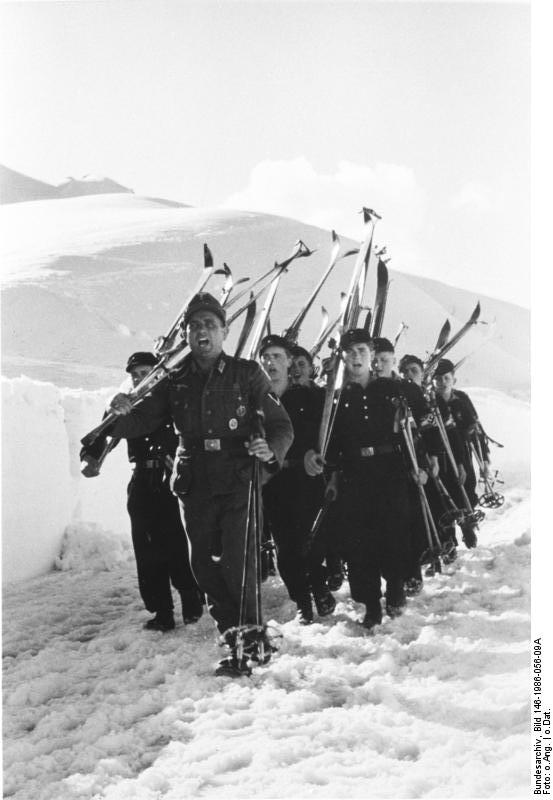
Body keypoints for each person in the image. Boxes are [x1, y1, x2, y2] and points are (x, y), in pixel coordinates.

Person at [106, 293, 294, 676]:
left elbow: (281, 425)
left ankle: (248, 640)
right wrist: (118, 410)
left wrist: (268, 448)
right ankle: (231, 632)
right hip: (194, 481)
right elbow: (140, 421)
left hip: (239, 476)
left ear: (224, 331)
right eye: (194, 326)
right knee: (202, 568)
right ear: (187, 334)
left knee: (238, 562)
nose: (201, 332)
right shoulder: (173, 379)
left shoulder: (247, 374)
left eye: (209, 325)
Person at [305, 332, 439, 632]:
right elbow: (334, 444)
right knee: (359, 543)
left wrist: (432, 458)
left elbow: (426, 420)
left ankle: (394, 588)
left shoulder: (395, 389)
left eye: (361, 351)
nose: (356, 357)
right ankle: (371, 604)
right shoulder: (336, 399)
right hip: (355, 475)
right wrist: (335, 477)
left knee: (394, 534)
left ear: (371, 354)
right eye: (349, 352)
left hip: (392, 471)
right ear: (342, 358)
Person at [80, 352, 203, 632]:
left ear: (157, 373)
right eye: (134, 375)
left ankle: (190, 595)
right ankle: (162, 610)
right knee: (146, 548)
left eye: (144, 372)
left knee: (175, 543)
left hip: (171, 479)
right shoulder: (127, 405)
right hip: (141, 481)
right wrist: (91, 455)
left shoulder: (172, 398)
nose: (138, 379)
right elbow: (105, 432)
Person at [259, 335, 335, 625]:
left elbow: (327, 433)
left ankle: (320, 587)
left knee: (312, 541)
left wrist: (315, 455)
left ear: (289, 362)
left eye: (278, 356)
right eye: (266, 357)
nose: (271, 362)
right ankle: (302, 601)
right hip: (272, 483)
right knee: (285, 548)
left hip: (305, 480)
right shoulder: (256, 399)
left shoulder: (306, 396)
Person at [432, 358, 492, 548]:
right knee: (444, 493)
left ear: (453, 380)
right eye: (438, 379)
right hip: (440, 454)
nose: (442, 383)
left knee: (466, 487)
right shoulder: (430, 401)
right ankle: (448, 538)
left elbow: (476, 428)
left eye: (446, 378)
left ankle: (467, 527)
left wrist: (484, 459)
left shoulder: (462, 399)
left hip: (462, 452)